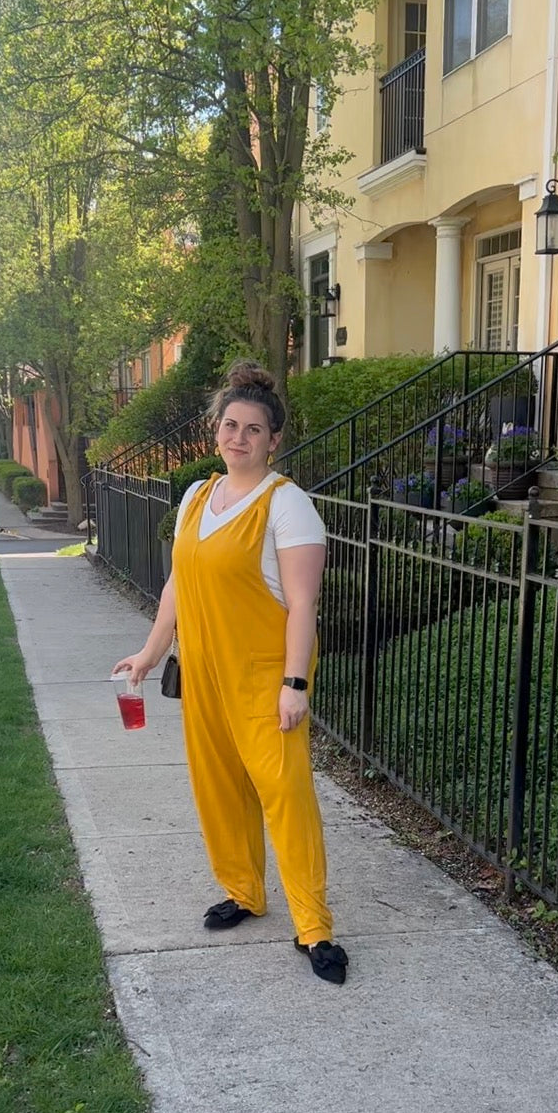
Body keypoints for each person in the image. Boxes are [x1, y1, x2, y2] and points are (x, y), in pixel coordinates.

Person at [112, 360, 348, 985]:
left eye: (254, 428)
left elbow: (303, 604)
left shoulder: (288, 506)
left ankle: (313, 925)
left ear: (274, 439)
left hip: (264, 676)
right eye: (230, 425)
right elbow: (178, 587)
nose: (238, 437)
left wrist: (295, 684)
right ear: (215, 430)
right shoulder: (195, 497)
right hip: (205, 672)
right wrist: (150, 652)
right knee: (219, 789)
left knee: (285, 796)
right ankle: (244, 891)